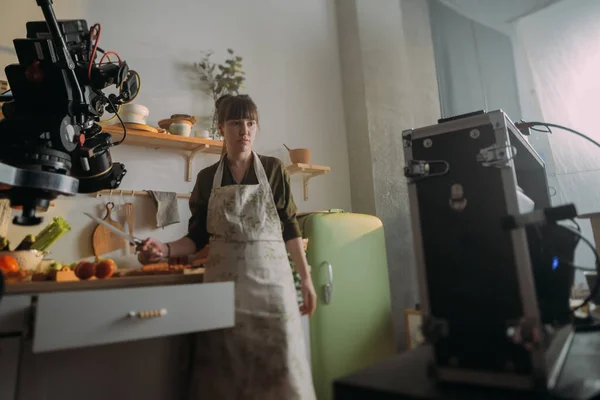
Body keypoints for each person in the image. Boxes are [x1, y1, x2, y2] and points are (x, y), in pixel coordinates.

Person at [137, 94, 317, 399]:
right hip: (224, 294)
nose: (244, 130)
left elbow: (290, 227)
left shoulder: (274, 170)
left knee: (282, 373)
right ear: (222, 128)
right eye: (236, 123)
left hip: (273, 291)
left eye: (250, 123)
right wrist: (163, 249)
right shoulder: (207, 179)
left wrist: (307, 280)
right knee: (226, 377)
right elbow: (196, 238)